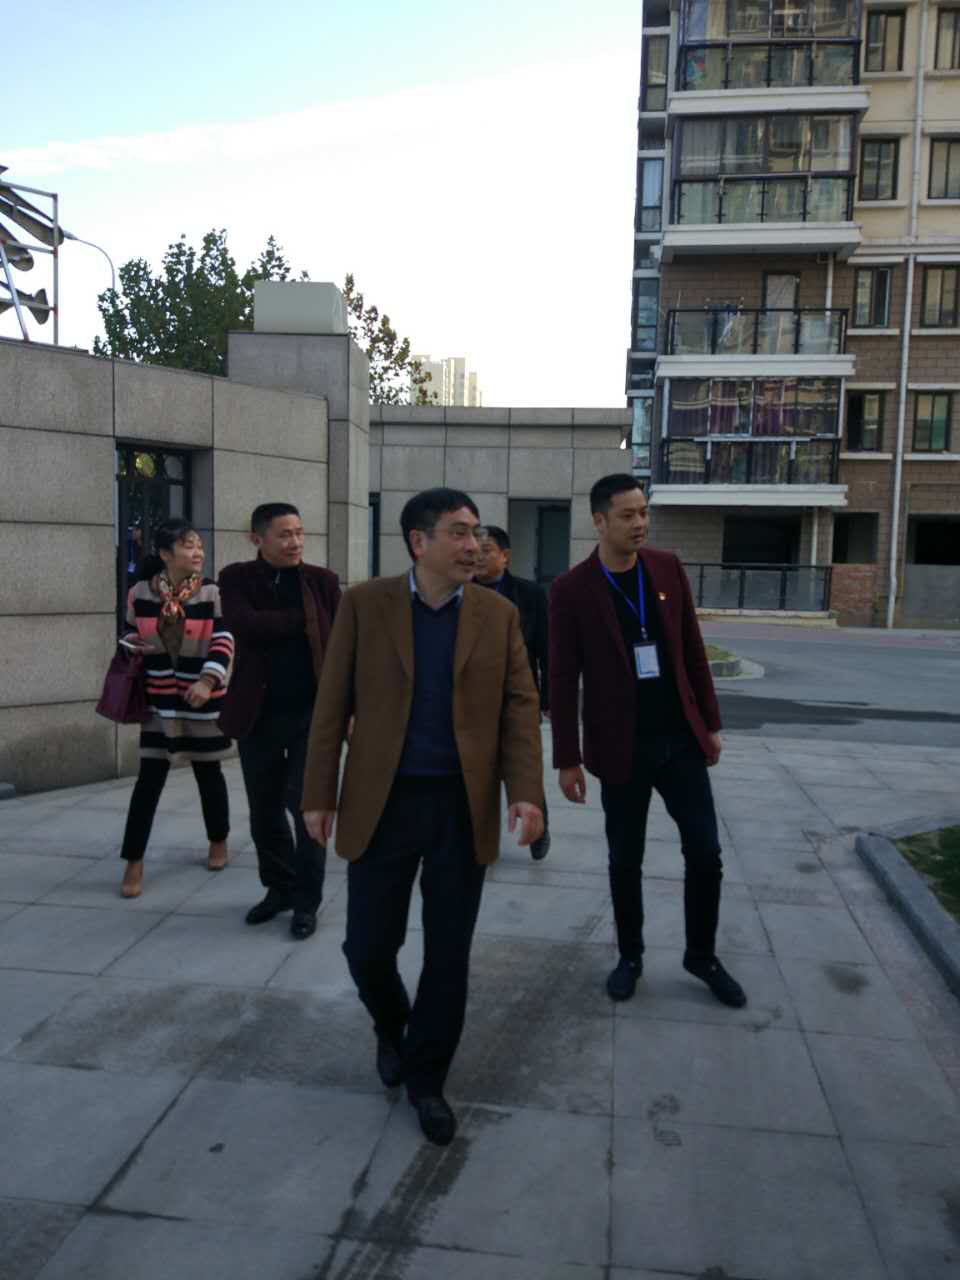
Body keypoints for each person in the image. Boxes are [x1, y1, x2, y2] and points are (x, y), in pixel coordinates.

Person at [302, 487, 544, 1146]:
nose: (474, 546)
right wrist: (319, 793)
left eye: (477, 533)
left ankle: (427, 1079)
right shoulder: (365, 605)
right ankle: (393, 1026)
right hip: (382, 803)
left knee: (448, 955)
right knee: (366, 948)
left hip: (461, 809)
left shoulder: (497, 614)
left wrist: (525, 791)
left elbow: (521, 706)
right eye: (459, 532)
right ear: (419, 541)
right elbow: (332, 703)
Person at [549, 474, 746, 1009]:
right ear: (599, 521)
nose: (640, 523)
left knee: (705, 852)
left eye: (643, 512)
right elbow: (562, 680)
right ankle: (630, 956)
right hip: (621, 748)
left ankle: (701, 956)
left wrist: (710, 724)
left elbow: (692, 648)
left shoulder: (665, 567)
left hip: (680, 740)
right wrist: (567, 759)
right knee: (625, 859)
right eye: (627, 515)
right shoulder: (571, 590)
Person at [218, 503, 340, 941]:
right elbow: (244, 624)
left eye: (300, 533)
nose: (295, 542)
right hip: (259, 713)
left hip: (313, 714)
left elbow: (340, 643)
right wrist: (304, 621)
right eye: (285, 534)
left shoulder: (322, 582)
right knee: (264, 808)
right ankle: (280, 888)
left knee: (308, 808)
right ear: (258, 538)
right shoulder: (236, 578)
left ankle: (306, 902)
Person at [118, 518, 234, 898]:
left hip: (200, 699)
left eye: (199, 544)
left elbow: (224, 639)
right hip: (159, 699)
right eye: (188, 545)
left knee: (208, 773)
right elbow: (128, 631)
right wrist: (133, 644)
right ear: (165, 554)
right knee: (148, 781)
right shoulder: (140, 593)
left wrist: (208, 680)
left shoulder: (212, 593)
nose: (197, 552)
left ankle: (218, 840)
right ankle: (133, 861)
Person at [475, 525, 551, 860]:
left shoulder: (530, 594)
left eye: (487, 550)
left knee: (521, 764)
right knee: (478, 771)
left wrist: (548, 698)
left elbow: (547, 648)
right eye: (475, 549)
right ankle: (481, 836)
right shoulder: (461, 591)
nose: (479, 556)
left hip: (518, 696)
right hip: (473, 700)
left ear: (505, 555)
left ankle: (538, 825)